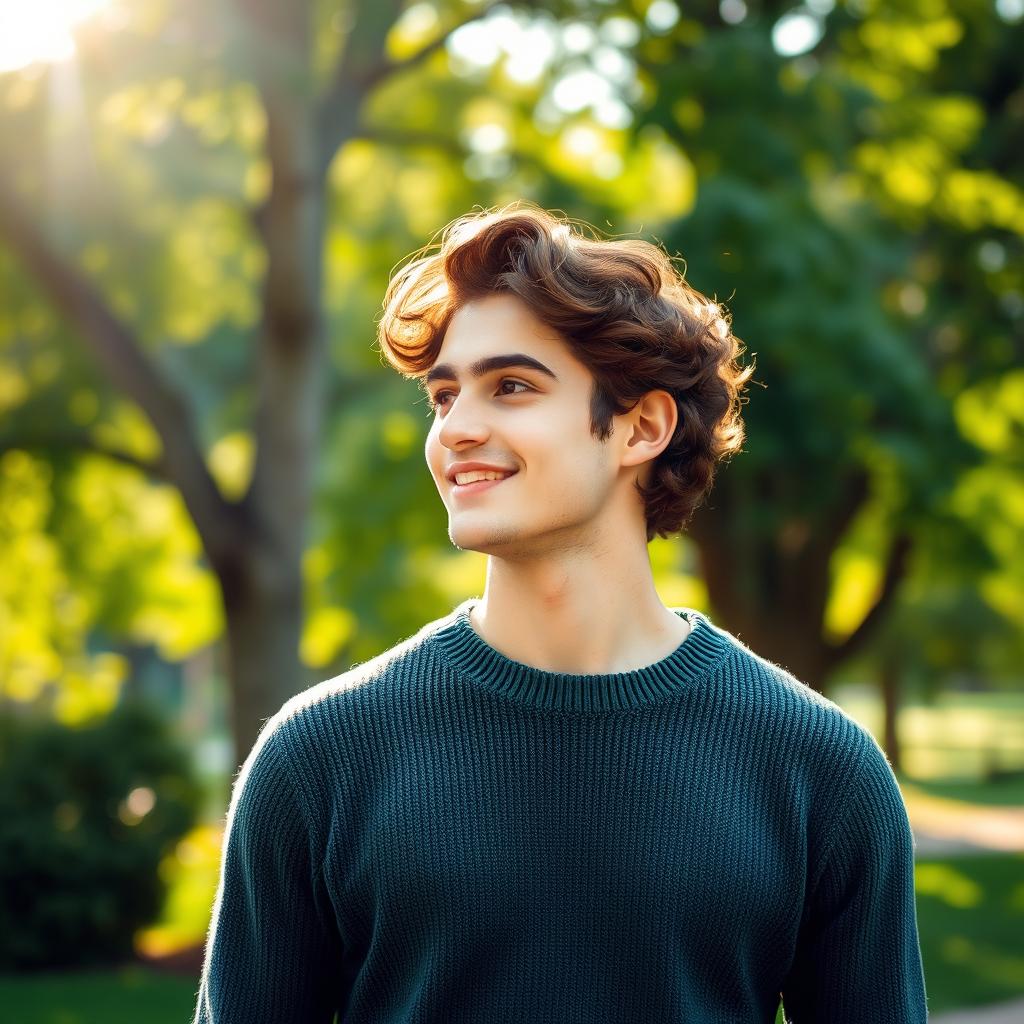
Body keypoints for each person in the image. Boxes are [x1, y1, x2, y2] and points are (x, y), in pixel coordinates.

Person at [193, 201, 928, 1023]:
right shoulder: (316, 760)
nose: (456, 430)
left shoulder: (821, 771)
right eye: (443, 397)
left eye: (510, 386)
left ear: (640, 427)